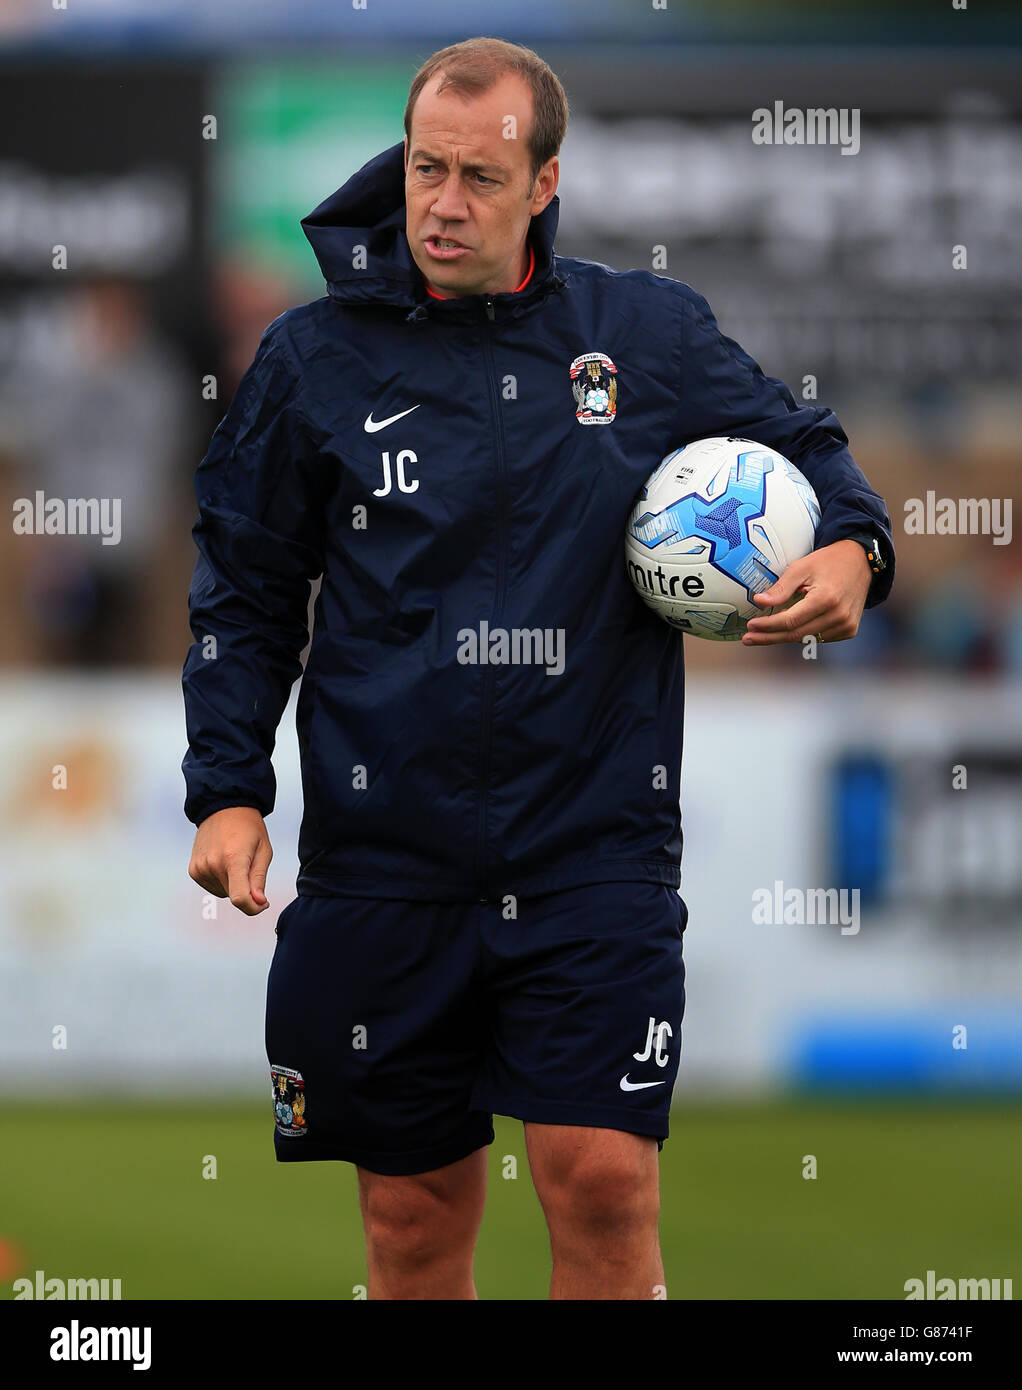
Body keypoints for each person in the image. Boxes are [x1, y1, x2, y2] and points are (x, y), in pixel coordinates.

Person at [182, 37, 894, 1300]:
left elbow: (807, 446)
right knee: (409, 1221)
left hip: (590, 852)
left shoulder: (647, 337)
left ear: (543, 183)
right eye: (424, 169)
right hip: (382, 863)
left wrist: (853, 547)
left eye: (479, 177)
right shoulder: (312, 362)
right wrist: (227, 787)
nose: (444, 203)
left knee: (601, 1179)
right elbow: (242, 585)